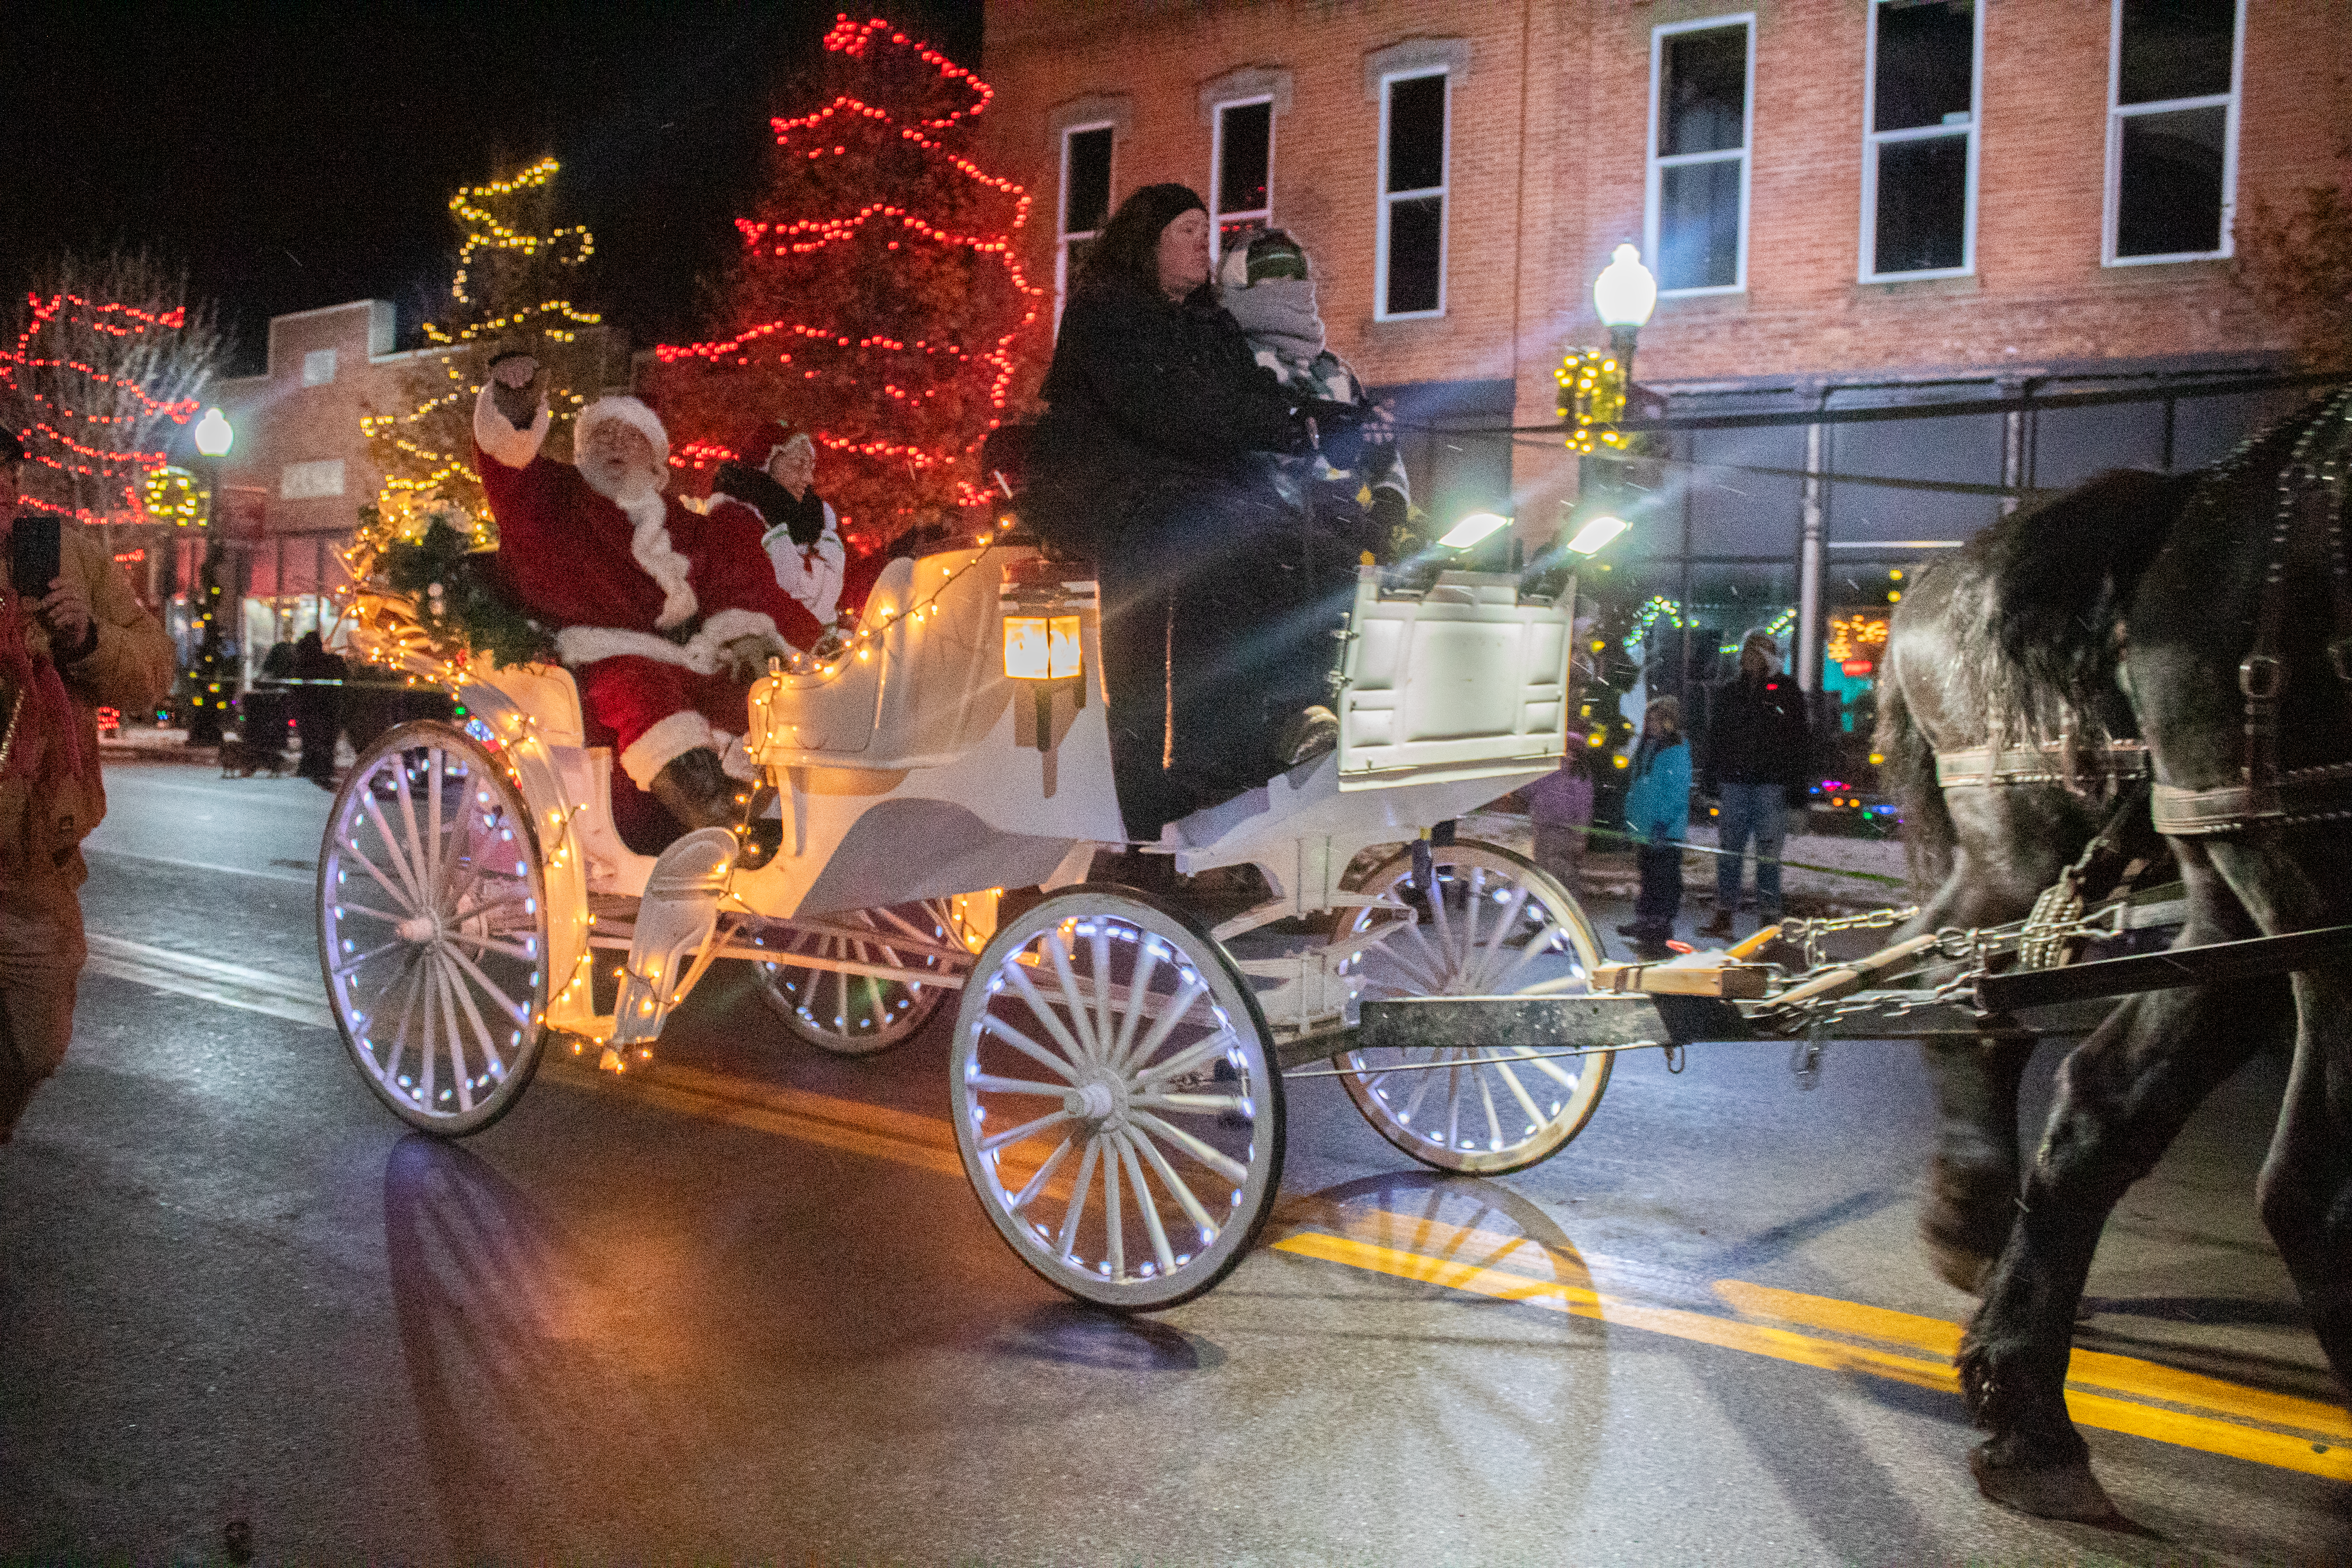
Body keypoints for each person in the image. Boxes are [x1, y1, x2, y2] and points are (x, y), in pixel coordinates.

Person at [1024, 183, 1337, 840]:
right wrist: (1263, 422)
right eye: (1188, 231)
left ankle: (1289, 713)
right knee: (1213, 535)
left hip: (1189, 487)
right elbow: (1170, 414)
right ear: (1149, 241)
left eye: (1207, 231)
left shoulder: (1210, 325)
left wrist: (1299, 420)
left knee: (1311, 533)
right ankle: (1184, 760)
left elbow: (1246, 400)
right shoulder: (1107, 313)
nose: (1205, 244)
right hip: (1115, 490)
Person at [471, 353, 803, 831]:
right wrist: (515, 405)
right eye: (601, 435)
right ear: (582, 453)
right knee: (639, 685)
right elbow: (510, 463)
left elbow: (729, 584)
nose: (614, 442)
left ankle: (772, 805)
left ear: (656, 461)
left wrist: (744, 634)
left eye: (631, 436)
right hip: (592, 660)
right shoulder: (552, 497)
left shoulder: (687, 526)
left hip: (688, 657)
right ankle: (712, 814)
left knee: (763, 688)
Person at [0, 425, 175, 1141]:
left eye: (8, 470)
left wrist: (85, 639)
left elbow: (153, 668)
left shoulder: (69, 556)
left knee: (39, 1044)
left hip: (36, 863)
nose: (3, 485)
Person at [1700, 629, 1813, 938]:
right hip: (1736, 783)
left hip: (1771, 785)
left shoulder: (1786, 691)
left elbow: (1798, 743)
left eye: (1759, 653)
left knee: (1768, 855)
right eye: (1749, 652)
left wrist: (1797, 794)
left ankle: (1769, 918)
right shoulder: (1731, 692)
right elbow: (1717, 738)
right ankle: (1725, 913)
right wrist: (1711, 782)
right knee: (1730, 851)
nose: (1752, 659)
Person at [708, 420, 843, 644]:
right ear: (769, 463)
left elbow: (834, 589)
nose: (808, 479)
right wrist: (810, 633)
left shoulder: (817, 517)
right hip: (762, 643)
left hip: (818, 639)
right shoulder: (737, 517)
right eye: (798, 467)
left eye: (810, 468)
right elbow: (754, 591)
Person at [1615, 696, 1690, 954]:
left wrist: (1663, 822)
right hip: (1646, 826)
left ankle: (1661, 921)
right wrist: (1633, 820)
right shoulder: (1649, 748)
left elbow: (1676, 792)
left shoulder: (1676, 752)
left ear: (1668, 721)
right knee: (1648, 873)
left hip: (1665, 828)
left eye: (1655, 720)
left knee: (1664, 875)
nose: (1650, 725)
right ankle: (1647, 919)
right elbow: (1639, 785)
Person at [1524, 749, 1595, 896]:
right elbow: (1529, 793)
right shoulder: (1547, 774)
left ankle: (1563, 905)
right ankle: (1549, 903)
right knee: (1546, 873)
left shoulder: (1579, 778)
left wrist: (1580, 838)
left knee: (1563, 875)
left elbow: (1584, 809)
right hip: (1546, 832)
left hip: (1564, 834)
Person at [289, 629, 346, 789]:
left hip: (310, 711)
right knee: (326, 745)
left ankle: (310, 772)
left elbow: (296, 689)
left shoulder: (303, 665)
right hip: (329, 711)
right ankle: (323, 774)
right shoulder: (333, 663)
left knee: (310, 743)